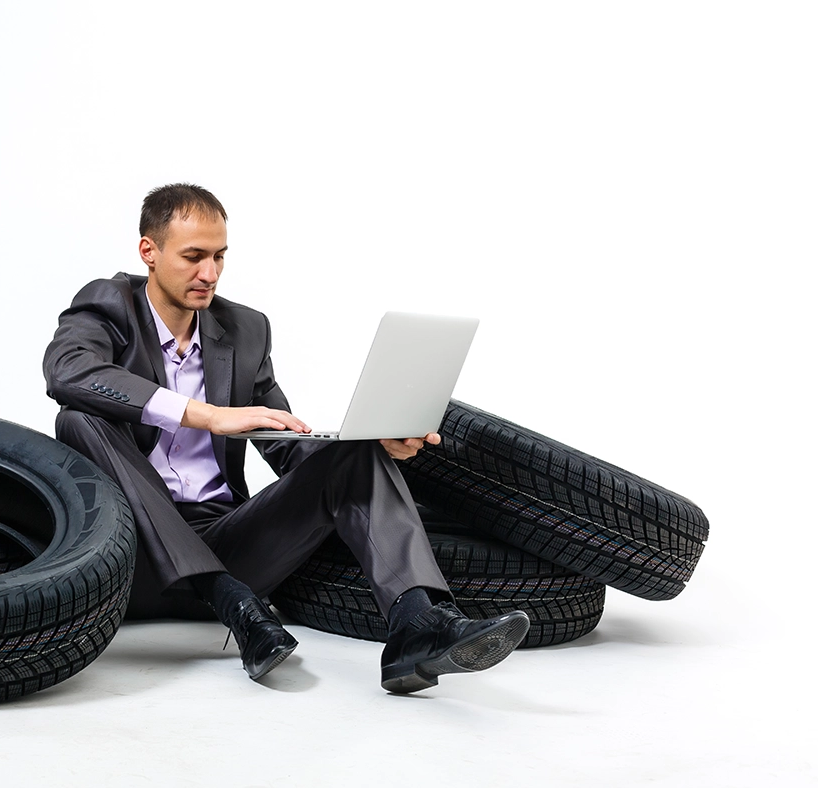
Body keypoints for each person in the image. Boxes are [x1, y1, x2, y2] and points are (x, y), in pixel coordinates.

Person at [42, 183, 529, 693]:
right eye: (192, 257)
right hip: (133, 560)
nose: (208, 274)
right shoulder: (108, 304)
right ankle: (231, 601)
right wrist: (205, 415)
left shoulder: (244, 329)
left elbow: (286, 444)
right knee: (79, 418)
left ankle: (417, 627)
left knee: (351, 459)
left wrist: (371, 449)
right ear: (149, 251)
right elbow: (68, 372)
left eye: (219, 257)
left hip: (230, 542)